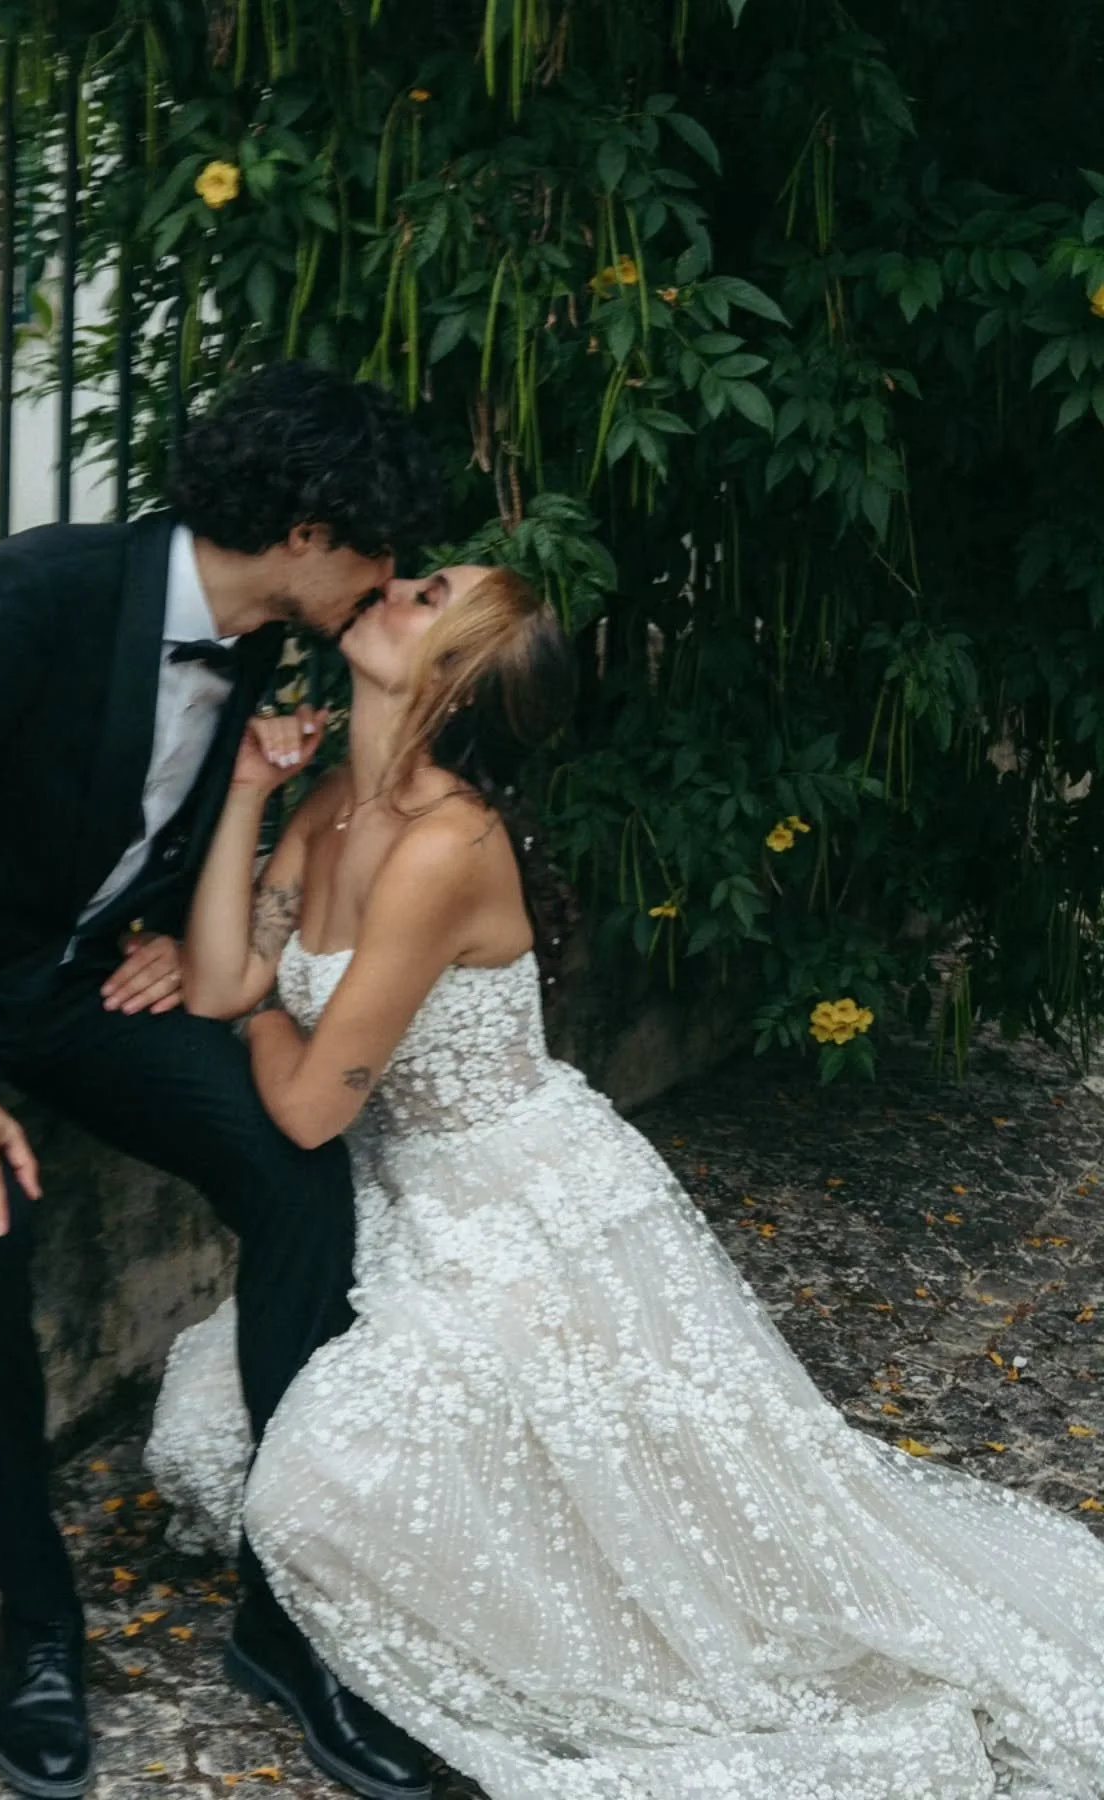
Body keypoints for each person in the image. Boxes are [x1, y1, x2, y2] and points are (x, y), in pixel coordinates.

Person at [148, 563, 1104, 1800]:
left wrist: (249, 1030)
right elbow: (231, 976)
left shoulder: (447, 846)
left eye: (429, 596)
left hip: (522, 1219)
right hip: (410, 1214)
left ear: (453, 680)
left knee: (319, 1489)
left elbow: (310, 1104)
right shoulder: (330, 799)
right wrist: (244, 795)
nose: (393, 585)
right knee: (230, 1439)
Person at [0, 364, 442, 1800]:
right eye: (381, 551)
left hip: (66, 979)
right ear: (315, 531)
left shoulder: (256, 642)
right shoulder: (30, 595)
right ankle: (40, 1614)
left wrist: (153, 919)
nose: (392, 581)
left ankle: (289, 1601)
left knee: (296, 1166)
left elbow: (131, 802)